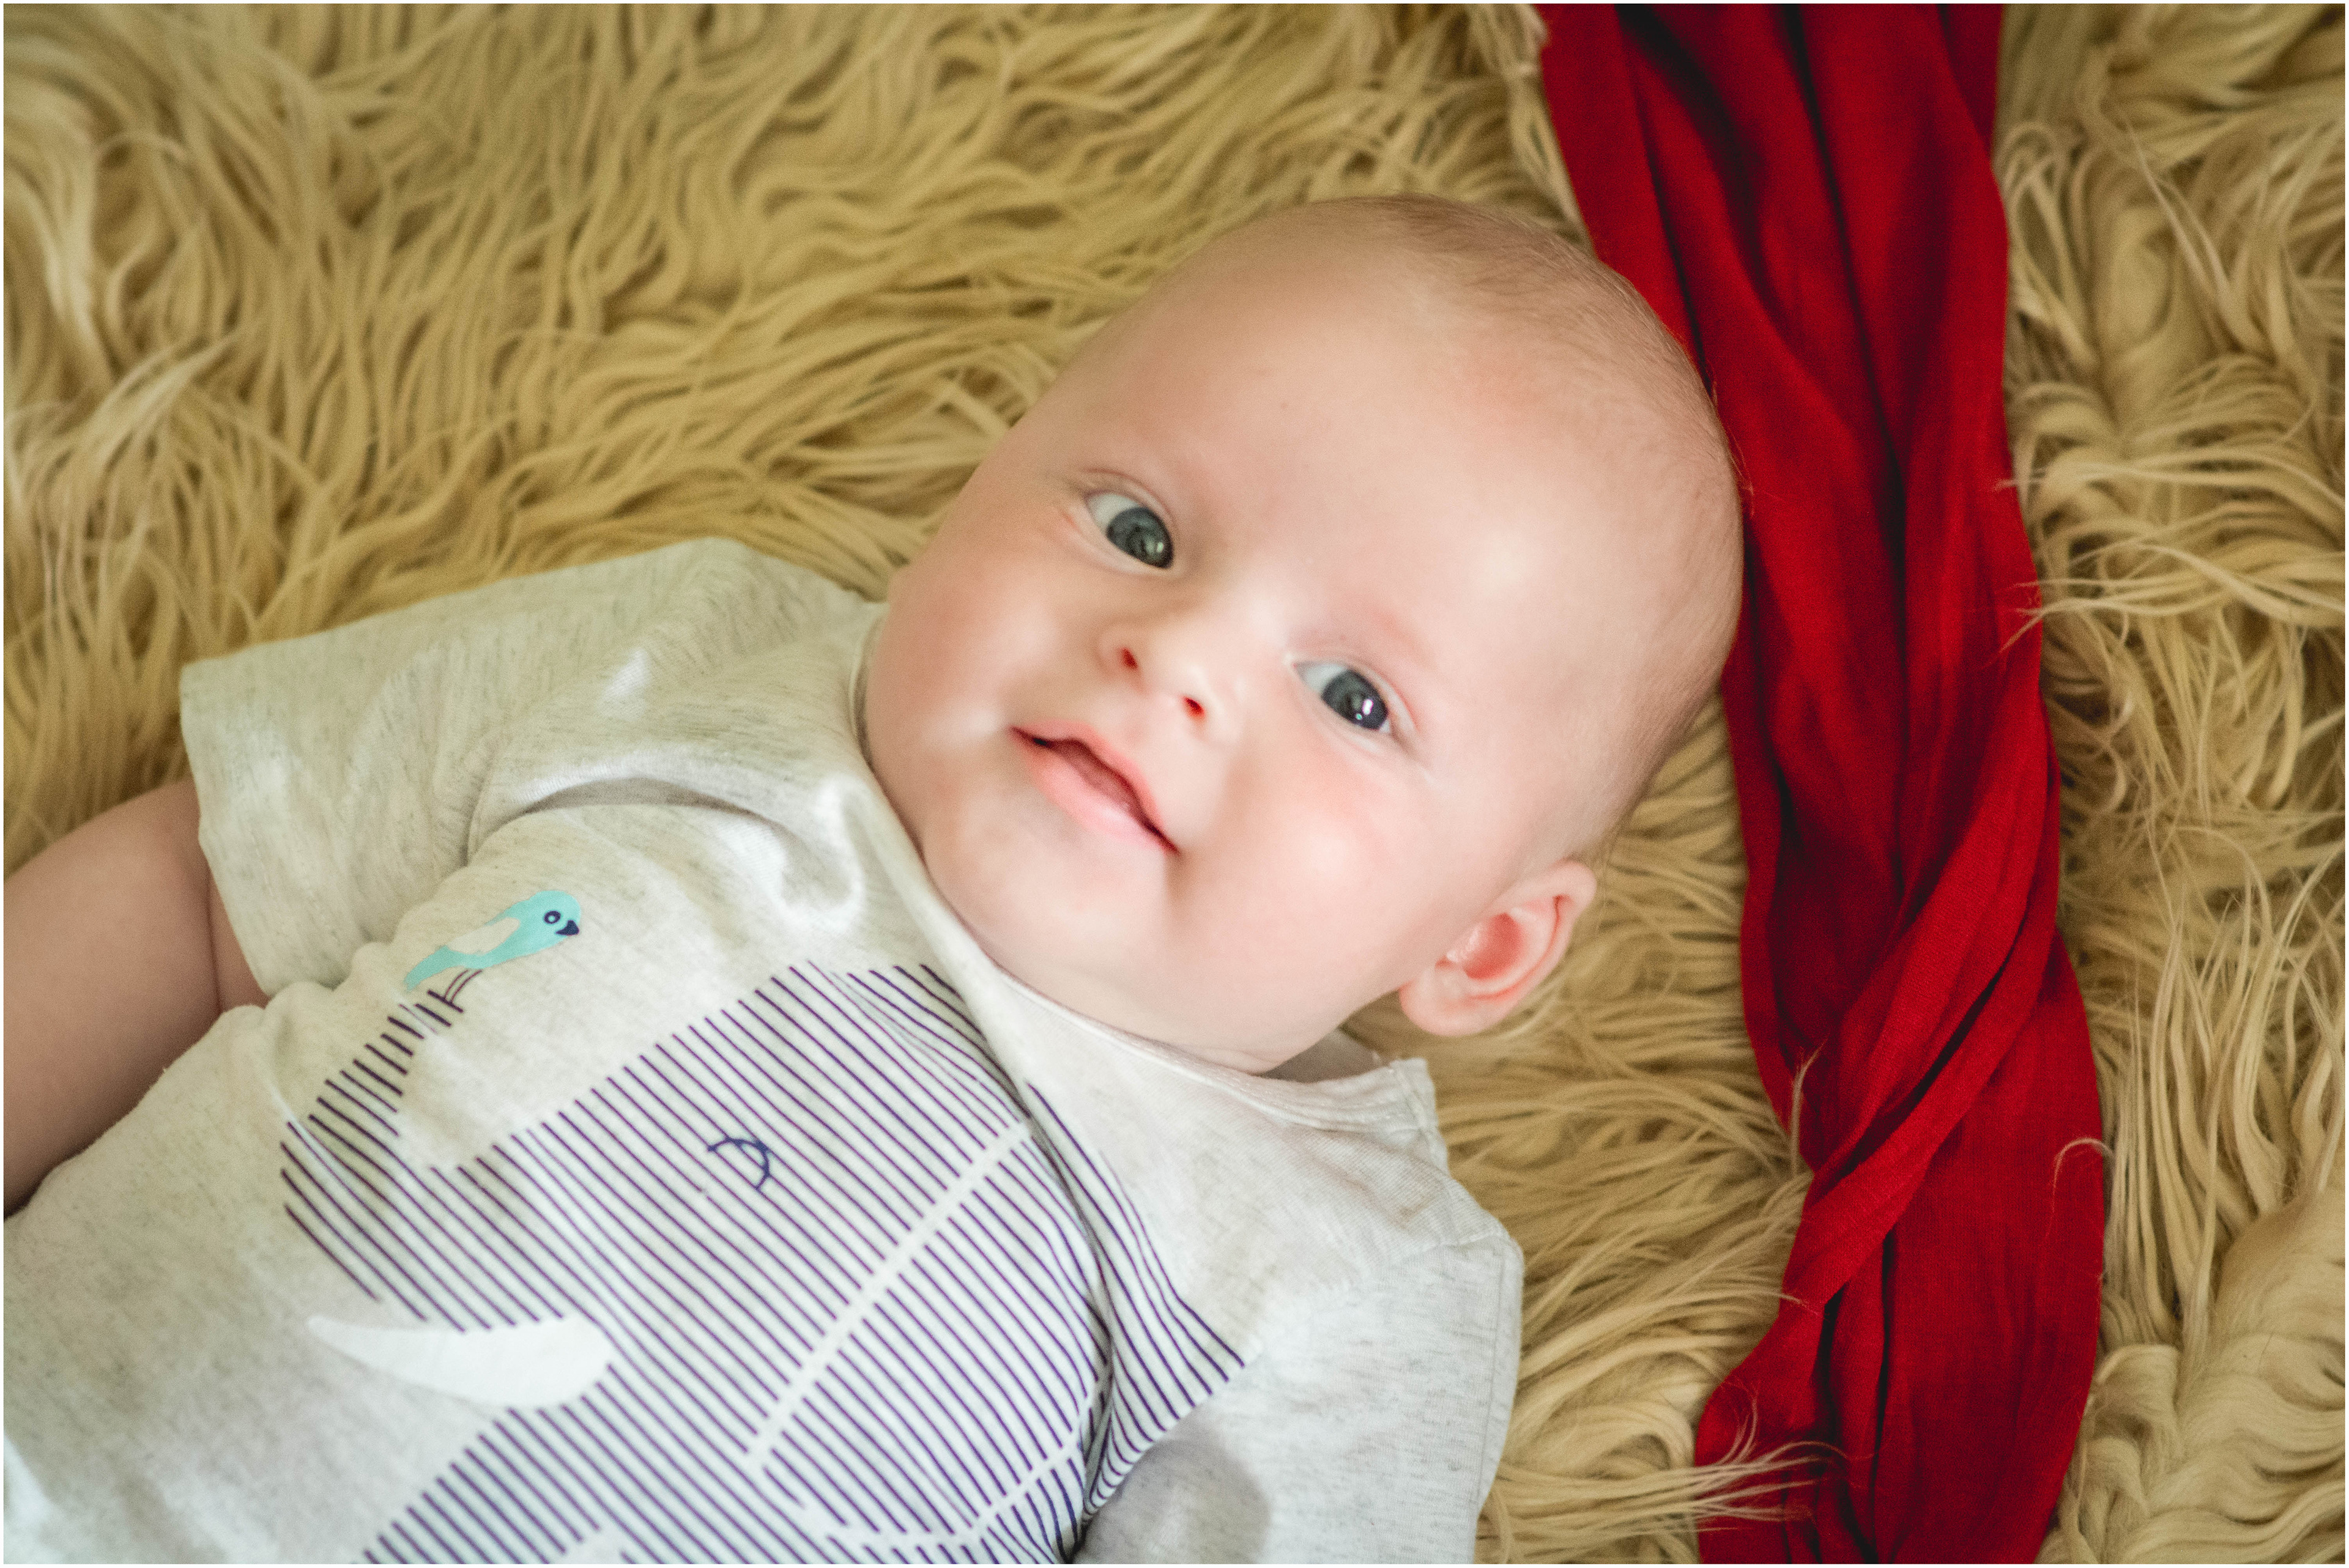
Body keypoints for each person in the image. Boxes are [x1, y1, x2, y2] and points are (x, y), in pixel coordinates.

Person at [3, 194, 1740, 1562]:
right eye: (1137, 528)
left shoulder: (1347, 1287)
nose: (1180, 652)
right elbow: (195, 896)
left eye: (1355, 697)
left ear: (1483, 944)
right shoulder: (695, 656)